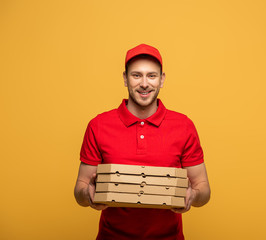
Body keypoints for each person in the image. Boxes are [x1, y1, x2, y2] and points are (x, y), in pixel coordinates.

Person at [74, 43, 211, 240]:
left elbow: (203, 188)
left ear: (162, 80)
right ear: (125, 78)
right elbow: (80, 189)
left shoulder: (184, 126)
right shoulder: (98, 125)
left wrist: (193, 196)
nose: (144, 83)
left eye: (152, 75)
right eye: (136, 75)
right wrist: (88, 193)